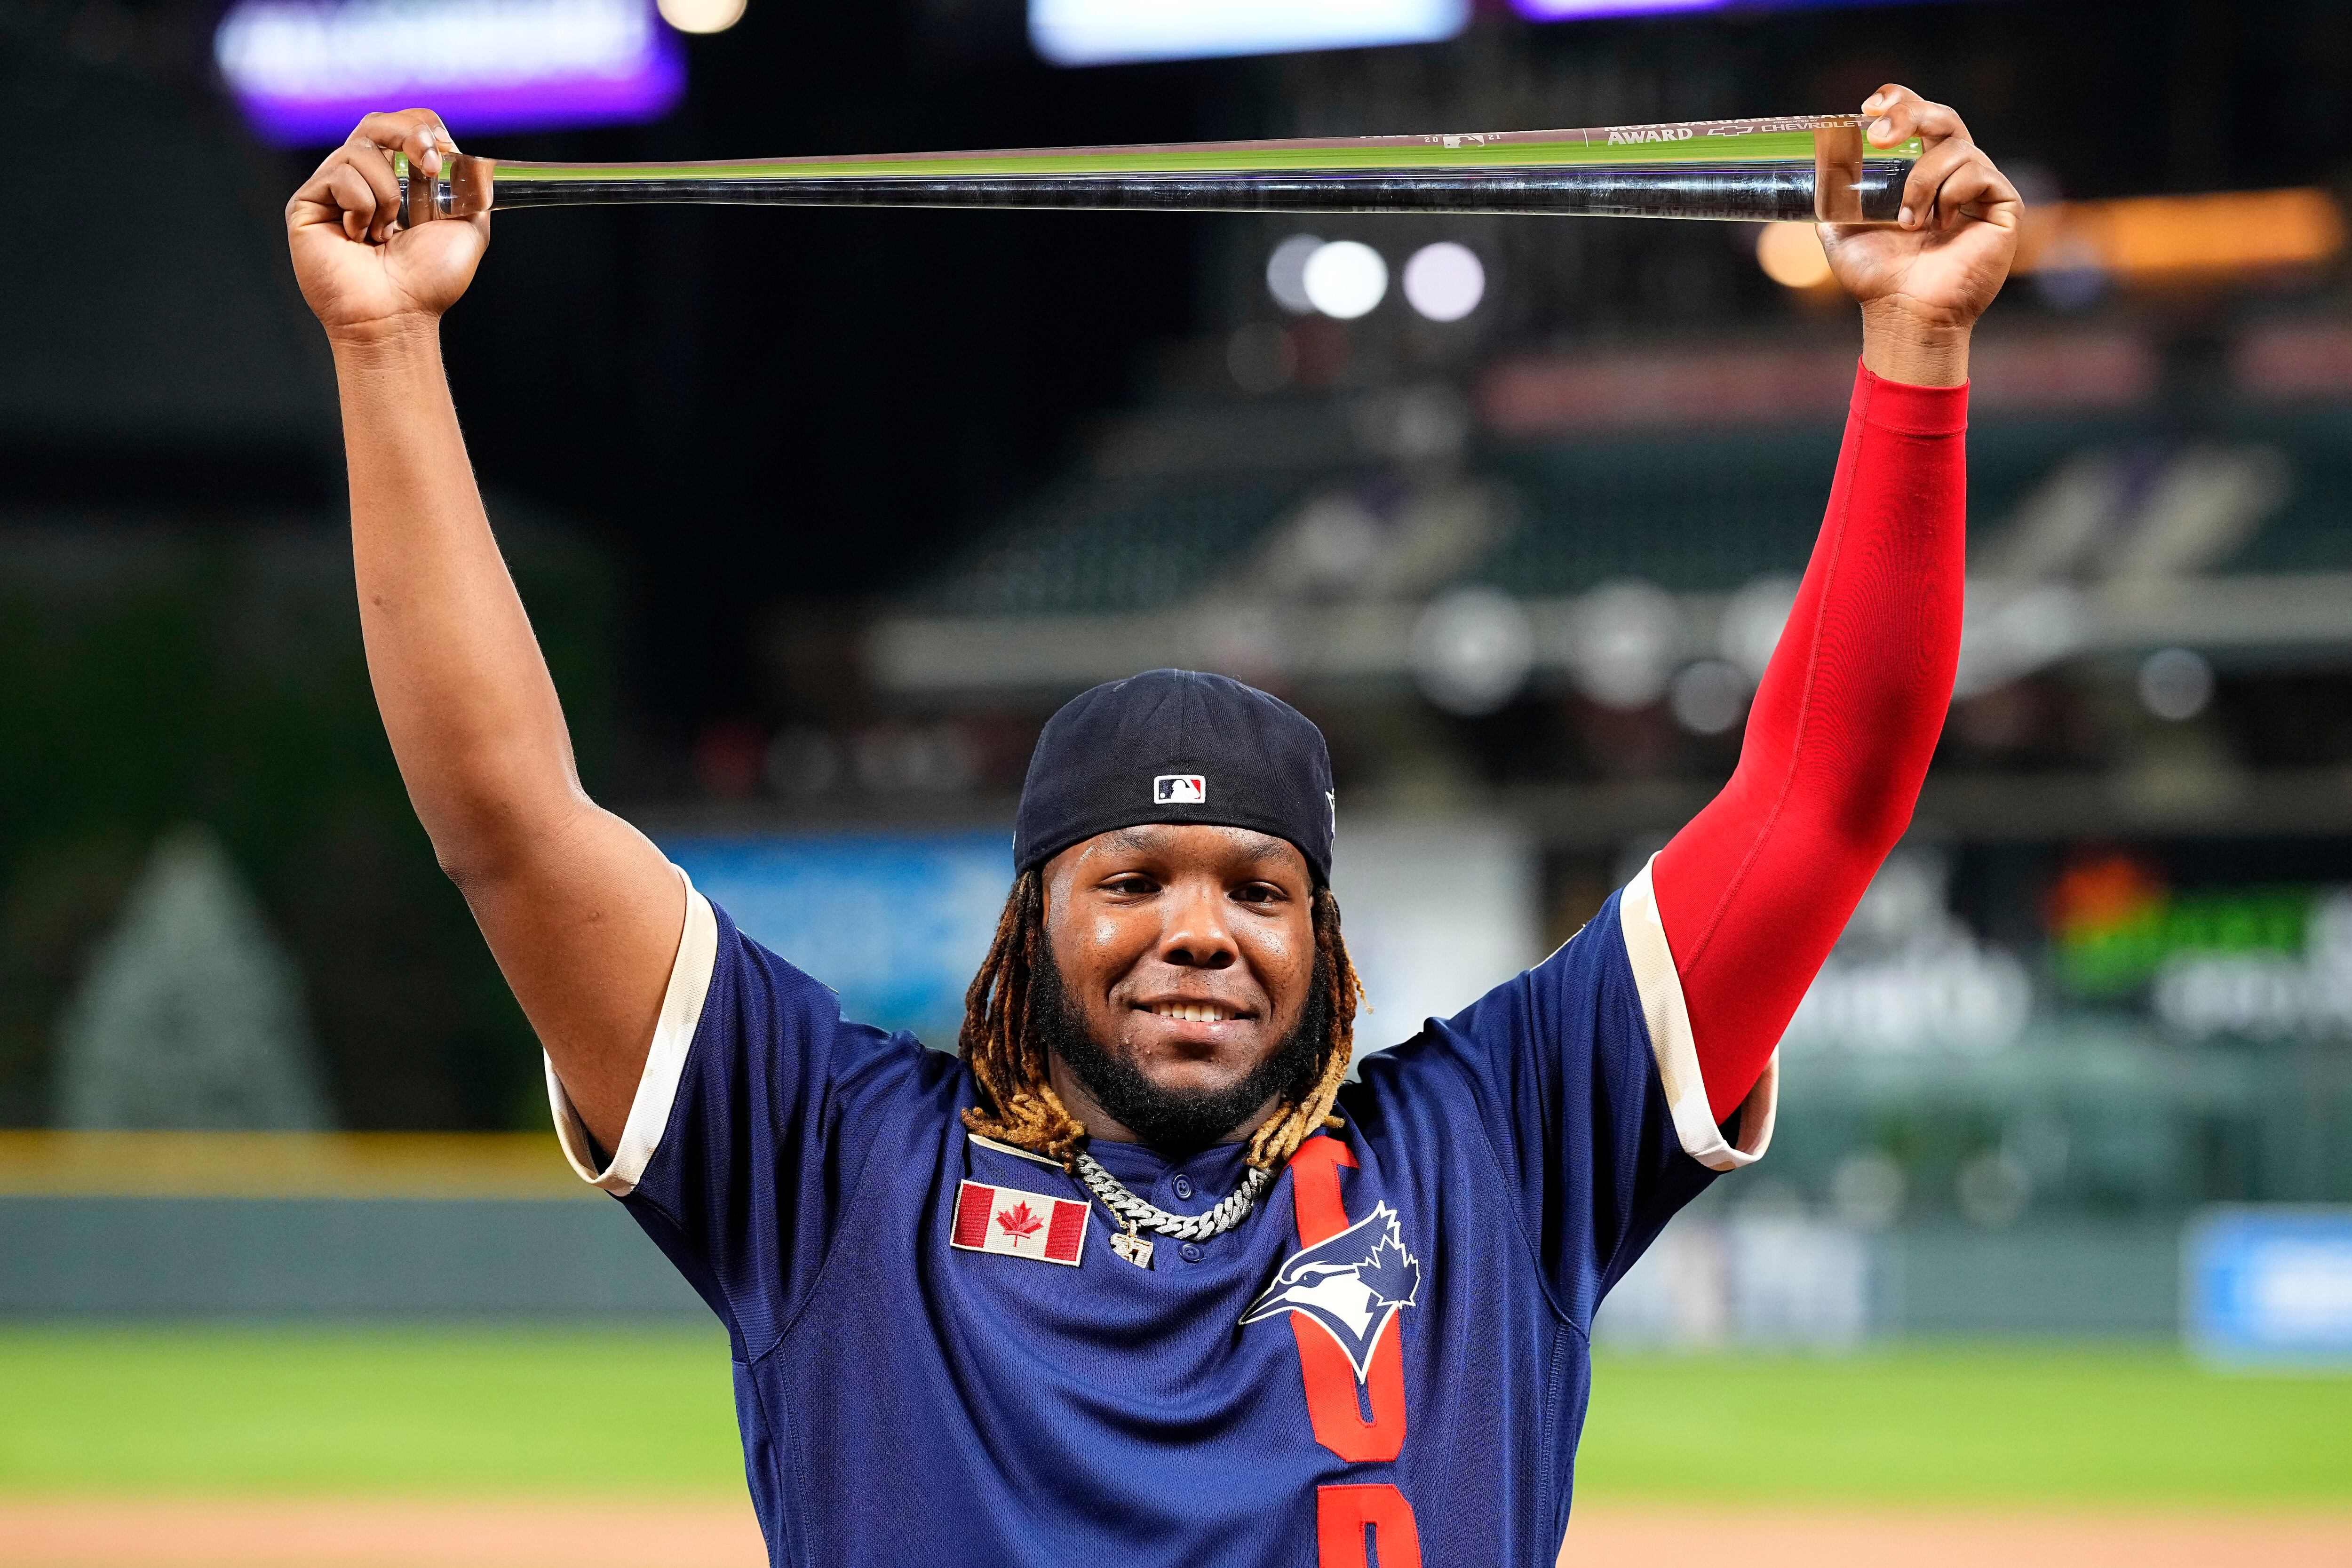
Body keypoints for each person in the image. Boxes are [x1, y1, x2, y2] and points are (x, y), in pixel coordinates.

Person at [286, 84, 2016, 1567]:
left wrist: (1915, 344)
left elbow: (1823, 799)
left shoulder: (1496, 1150)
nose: (1200, 927)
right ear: (1030, 922)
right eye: (1133, 878)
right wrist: (386, 349)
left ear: (1321, 939)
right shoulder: (826, 1164)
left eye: (1260, 887)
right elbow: (509, 823)